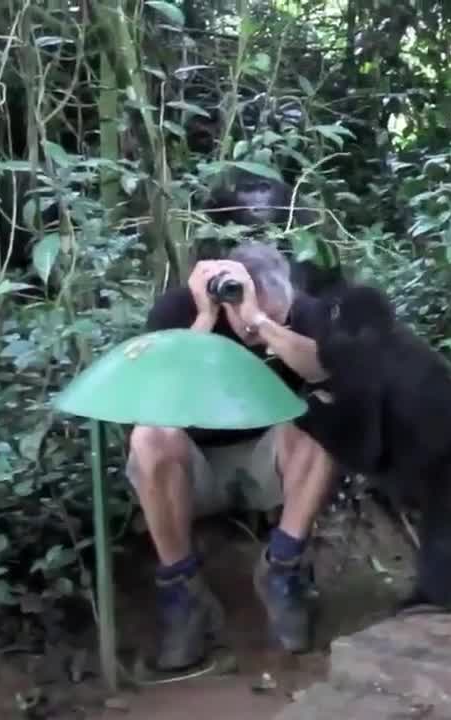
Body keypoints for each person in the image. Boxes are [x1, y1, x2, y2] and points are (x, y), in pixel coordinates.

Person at [126, 241, 338, 671]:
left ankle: (283, 566)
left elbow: (322, 371)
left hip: (270, 461)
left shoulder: (302, 312)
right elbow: (156, 393)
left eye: (282, 313)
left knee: (327, 413)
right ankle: (182, 589)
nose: (260, 328)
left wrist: (262, 321)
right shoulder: (179, 312)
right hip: (193, 467)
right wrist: (205, 318)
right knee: (150, 434)